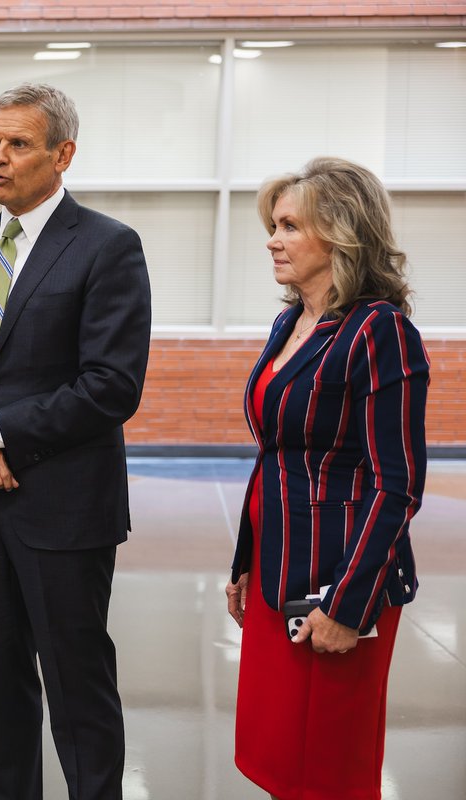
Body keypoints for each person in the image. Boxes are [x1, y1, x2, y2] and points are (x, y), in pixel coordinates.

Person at [0, 82, 151, 800]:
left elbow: (111, 384)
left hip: (64, 510)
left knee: (77, 685)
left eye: (17, 145)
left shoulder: (108, 247)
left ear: (62, 155)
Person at [225, 157, 428, 800]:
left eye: (289, 226)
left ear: (340, 234)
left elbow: (397, 483)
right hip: (278, 567)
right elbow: (274, 456)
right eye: (273, 224)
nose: (272, 239)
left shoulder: (382, 331)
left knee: (329, 766)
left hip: (337, 581)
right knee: (280, 754)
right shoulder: (292, 321)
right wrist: (244, 563)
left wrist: (347, 603)